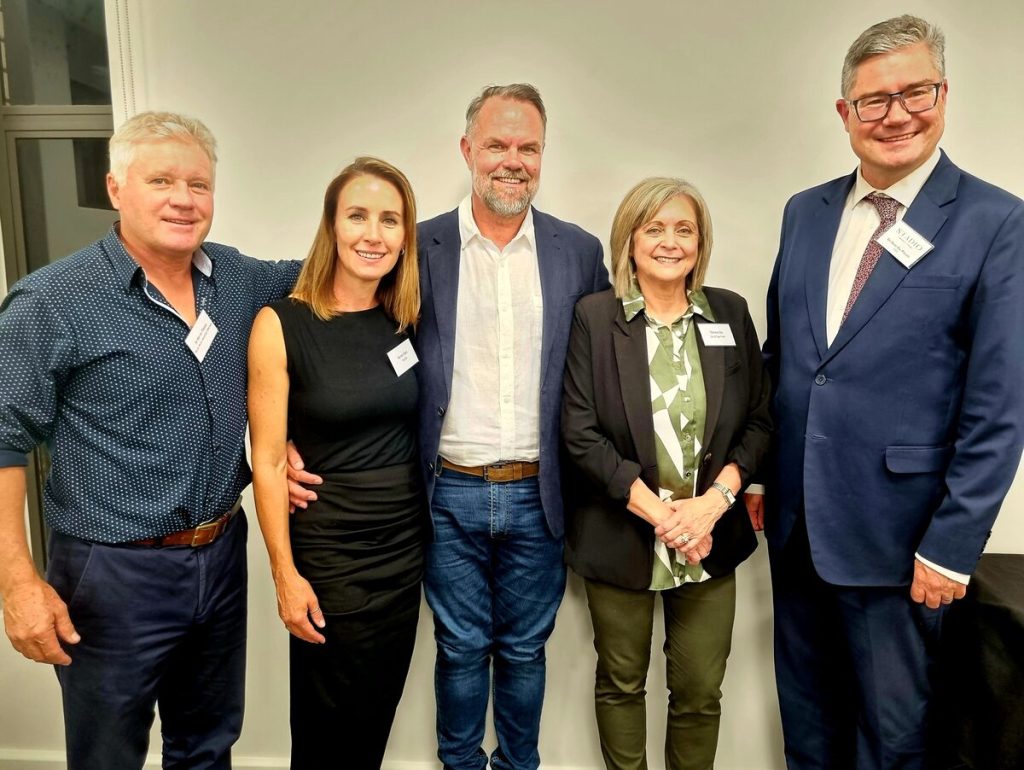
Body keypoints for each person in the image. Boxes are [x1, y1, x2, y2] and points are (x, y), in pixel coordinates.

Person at [287, 84, 609, 769]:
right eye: (497, 144)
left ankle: (519, 765)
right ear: (468, 149)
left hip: (539, 492)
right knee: (460, 649)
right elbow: (321, 291)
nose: (512, 161)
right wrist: (284, 432)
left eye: (528, 147)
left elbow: (605, 359)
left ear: (543, 155)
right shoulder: (417, 244)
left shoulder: (577, 253)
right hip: (445, 494)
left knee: (525, 650)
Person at [746, 15, 1024, 769]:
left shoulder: (996, 222)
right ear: (845, 114)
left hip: (904, 542)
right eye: (874, 100)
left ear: (944, 94)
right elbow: (786, 359)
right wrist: (766, 470)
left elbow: (999, 407)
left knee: (892, 742)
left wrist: (953, 544)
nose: (896, 114)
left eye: (916, 92)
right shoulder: (806, 211)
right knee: (808, 729)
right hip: (799, 531)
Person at [0, 111, 301, 768]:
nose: (184, 199)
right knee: (109, 755)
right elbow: (1, 440)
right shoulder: (52, 301)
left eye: (199, 184)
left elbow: (334, 278)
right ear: (116, 188)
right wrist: (16, 581)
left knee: (208, 745)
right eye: (161, 179)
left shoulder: (239, 280)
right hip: (111, 572)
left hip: (220, 554)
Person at [561, 177, 771, 770]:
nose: (670, 242)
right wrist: (666, 519)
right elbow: (579, 432)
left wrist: (712, 505)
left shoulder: (729, 312)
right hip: (623, 533)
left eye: (684, 229)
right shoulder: (595, 318)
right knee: (622, 683)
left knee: (701, 692)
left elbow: (759, 421)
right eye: (654, 228)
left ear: (701, 244)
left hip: (713, 535)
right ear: (629, 241)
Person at [248, 156, 424, 770]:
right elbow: (267, 462)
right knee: (329, 729)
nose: (373, 235)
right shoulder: (282, 324)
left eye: (390, 221)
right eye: (357, 216)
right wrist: (285, 576)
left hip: (403, 557)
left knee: (374, 718)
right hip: (332, 558)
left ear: (405, 237)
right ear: (332, 225)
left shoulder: (401, 321)